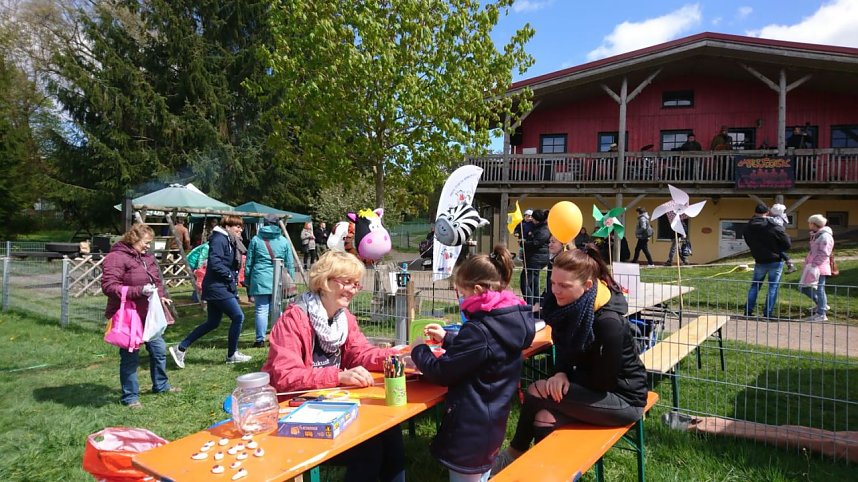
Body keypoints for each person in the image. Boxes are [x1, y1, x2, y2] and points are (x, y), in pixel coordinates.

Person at [491, 246, 648, 476]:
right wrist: (561, 374)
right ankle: (547, 474)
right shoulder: (567, 308)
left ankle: (514, 454)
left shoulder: (608, 323)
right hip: (590, 388)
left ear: (587, 286)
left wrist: (564, 382)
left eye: (564, 286)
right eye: (553, 283)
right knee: (544, 418)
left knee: (537, 391)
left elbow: (603, 381)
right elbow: (565, 354)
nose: (556, 291)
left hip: (623, 398)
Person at [262, 250, 404, 482]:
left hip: (330, 405)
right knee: (370, 446)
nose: (353, 289)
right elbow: (285, 378)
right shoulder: (293, 320)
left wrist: (398, 357)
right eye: (346, 282)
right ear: (324, 281)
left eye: (356, 284)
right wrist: (339, 377)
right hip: (294, 412)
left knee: (390, 429)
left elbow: (361, 353)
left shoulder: (343, 318)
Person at [411, 245, 535, 481]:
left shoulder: (479, 329)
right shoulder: (508, 319)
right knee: (482, 474)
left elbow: (442, 372)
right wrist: (448, 338)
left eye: (463, 294)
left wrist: (419, 350)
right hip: (492, 421)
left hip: (470, 427)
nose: (462, 300)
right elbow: (487, 349)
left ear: (478, 290)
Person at [101, 223, 178, 408]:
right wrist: (139, 291)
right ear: (134, 239)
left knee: (159, 351)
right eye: (145, 242)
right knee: (130, 358)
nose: (148, 246)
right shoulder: (116, 257)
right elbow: (109, 286)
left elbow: (156, 281)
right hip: (129, 315)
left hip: (149, 314)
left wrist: (160, 296)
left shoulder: (147, 258)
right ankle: (130, 397)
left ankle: (161, 385)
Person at [170, 215, 252, 368]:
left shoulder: (229, 240)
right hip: (217, 287)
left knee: (213, 322)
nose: (240, 229)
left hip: (221, 286)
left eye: (241, 226)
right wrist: (229, 275)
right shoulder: (219, 239)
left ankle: (180, 348)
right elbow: (215, 262)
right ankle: (232, 354)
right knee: (238, 316)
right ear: (227, 226)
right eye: (237, 226)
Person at [245, 214, 295, 348]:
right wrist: (291, 279)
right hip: (278, 277)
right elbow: (289, 262)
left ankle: (260, 339)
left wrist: (247, 280)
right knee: (277, 309)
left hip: (259, 277)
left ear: (264, 224)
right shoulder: (283, 240)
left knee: (261, 309)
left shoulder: (256, 240)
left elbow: (249, 262)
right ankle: (277, 337)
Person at [743, 204, 791, 319]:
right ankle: (768, 313)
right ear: (767, 212)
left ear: (755, 212)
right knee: (772, 287)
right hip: (775, 259)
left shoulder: (749, 225)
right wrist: (779, 249)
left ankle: (748, 311)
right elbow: (786, 242)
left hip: (759, 259)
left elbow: (747, 240)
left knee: (755, 286)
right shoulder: (772, 225)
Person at [799, 214, 833, 322]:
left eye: (809, 223)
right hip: (813, 266)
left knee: (819, 289)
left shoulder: (824, 236)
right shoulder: (817, 235)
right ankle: (821, 305)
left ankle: (821, 313)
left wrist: (814, 264)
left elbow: (824, 253)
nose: (808, 224)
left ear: (814, 224)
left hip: (819, 267)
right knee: (804, 287)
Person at [520, 209, 550, 306]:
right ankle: (536, 305)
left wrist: (523, 243)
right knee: (534, 283)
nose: (531, 219)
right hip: (535, 258)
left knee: (525, 283)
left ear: (536, 219)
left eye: (532, 217)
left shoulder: (544, 230)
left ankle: (529, 305)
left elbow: (536, 243)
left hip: (536, 259)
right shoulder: (538, 227)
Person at [768, 204, 796, 273]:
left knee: (778, 250)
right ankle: (790, 264)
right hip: (778, 235)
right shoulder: (781, 216)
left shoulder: (777, 219)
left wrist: (766, 217)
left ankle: (790, 265)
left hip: (777, 236)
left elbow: (775, 223)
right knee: (779, 251)